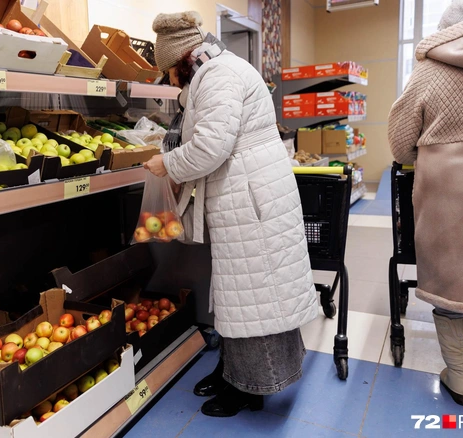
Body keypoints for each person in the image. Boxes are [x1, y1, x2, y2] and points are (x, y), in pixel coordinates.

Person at [144, 11, 318, 417]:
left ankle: (252, 388)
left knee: (254, 296)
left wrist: (166, 164)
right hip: (248, 198)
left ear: (182, 58)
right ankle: (234, 374)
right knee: (246, 295)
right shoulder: (215, 70)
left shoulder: (218, 77)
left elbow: (210, 148)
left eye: (169, 71)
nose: (170, 81)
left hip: (251, 203)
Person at [389, 1, 463, 408]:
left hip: (446, 200)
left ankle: (460, 380)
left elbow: (401, 143)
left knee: (452, 287)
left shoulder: (431, 68)